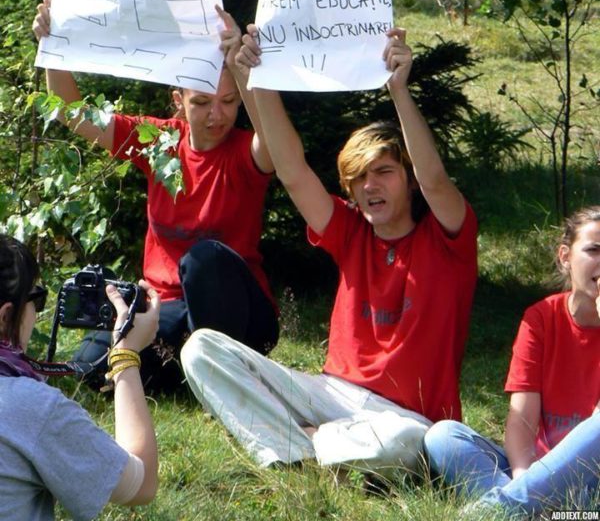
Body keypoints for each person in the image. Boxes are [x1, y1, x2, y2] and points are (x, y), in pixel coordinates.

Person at [180, 26, 478, 473]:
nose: (370, 185)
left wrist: (398, 90)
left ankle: (300, 442)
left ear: (409, 180)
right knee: (201, 349)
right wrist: (256, 77)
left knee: (410, 441)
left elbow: (435, 180)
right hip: (330, 393)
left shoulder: (448, 239)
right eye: (358, 178)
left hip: (403, 418)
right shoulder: (350, 230)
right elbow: (292, 171)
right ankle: (307, 449)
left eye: (384, 172)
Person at [32, 0, 278, 390]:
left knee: (205, 258)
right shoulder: (159, 140)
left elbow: (275, 142)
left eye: (229, 102)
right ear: (178, 101)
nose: (217, 115)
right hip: (165, 307)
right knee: (92, 365)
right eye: (202, 102)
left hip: (242, 315)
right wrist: (53, 43)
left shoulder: (247, 151)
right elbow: (71, 112)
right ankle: (178, 371)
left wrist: (241, 66)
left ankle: (221, 375)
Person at [423, 206, 600, 516]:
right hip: (537, 469)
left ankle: (496, 512)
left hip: (593, 484)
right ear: (565, 257)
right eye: (594, 250)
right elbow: (522, 419)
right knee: (443, 437)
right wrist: (525, 481)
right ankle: (530, 509)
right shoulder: (541, 318)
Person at [0, 233, 160, 520]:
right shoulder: (30, 407)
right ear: (5, 316)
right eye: (36, 298)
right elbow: (143, 483)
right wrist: (125, 354)